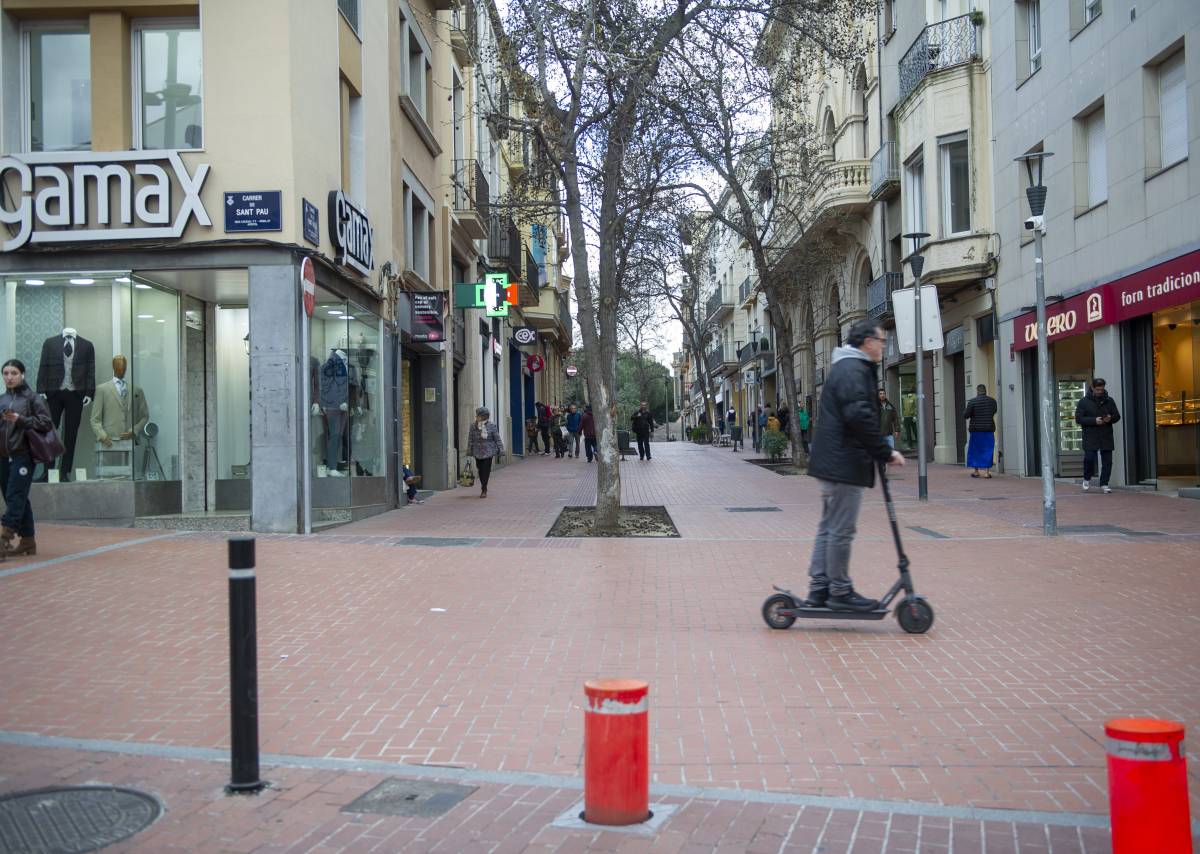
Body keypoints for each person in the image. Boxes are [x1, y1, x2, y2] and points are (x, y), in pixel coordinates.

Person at [805, 320, 906, 611]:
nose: (883, 347)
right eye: (881, 341)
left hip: (835, 462)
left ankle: (819, 587)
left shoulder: (848, 367)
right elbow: (859, 415)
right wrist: (884, 452)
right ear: (866, 342)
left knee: (829, 526)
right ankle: (839, 590)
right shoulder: (853, 369)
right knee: (840, 529)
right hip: (843, 462)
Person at [0, 358, 53, 557]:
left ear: (22, 375)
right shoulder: (1, 399)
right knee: (16, 497)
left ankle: (4, 537)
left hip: (23, 456)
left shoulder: (32, 398)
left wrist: (20, 419)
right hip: (4, 457)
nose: (9, 377)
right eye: (6, 373)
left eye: (13, 373)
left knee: (15, 497)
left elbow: (46, 423)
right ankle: (28, 541)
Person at [1076, 377, 1121, 493]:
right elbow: (1079, 419)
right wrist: (1094, 421)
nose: (1100, 392)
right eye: (1097, 389)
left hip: (1106, 435)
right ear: (1092, 388)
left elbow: (1117, 416)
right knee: (1089, 458)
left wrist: (1110, 418)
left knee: (1107, 461)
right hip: (1090, 435)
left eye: (1101, 389)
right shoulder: (1084, 402)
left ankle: (1104, 484)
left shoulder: (1109, 400)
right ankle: (1086, 478)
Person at [467, 406, 504, 498]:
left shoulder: (492, 425)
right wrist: (469, 450)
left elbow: (497, 438)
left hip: (488, 451)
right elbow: (470, 439)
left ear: (484, 416)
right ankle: (483, 486)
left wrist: (501, 449)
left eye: (478, 415)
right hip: (477, 451)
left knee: (486, 470)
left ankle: (484, 489)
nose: (476, 417)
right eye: (476, 415)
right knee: (480, 469)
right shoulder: (473, 426)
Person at [963, 384, 998, 478]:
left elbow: (966, 415)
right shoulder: (992, 401)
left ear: (977, 391)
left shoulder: (972, 402)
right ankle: (987, 472)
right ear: (985, 391)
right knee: (988, 450)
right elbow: (994, 411)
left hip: (976, 430)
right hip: (988, 429)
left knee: (975, 450)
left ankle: (976, 471)